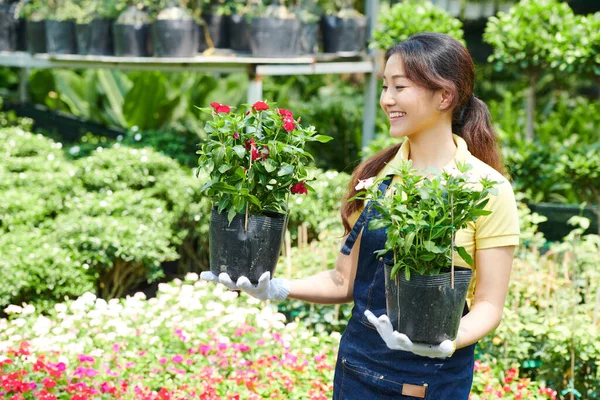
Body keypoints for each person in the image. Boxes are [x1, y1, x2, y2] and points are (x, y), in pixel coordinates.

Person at [201, 32, 519, 399]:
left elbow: (489, 305)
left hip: (430, 383)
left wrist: (448, 340)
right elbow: (343, 281)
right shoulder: (380, 178)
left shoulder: (487, 189)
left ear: (444, 95)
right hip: (356, 374)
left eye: (400, 87)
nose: (387, 100)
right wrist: (277, 287)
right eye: (385, 86)